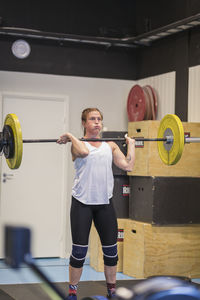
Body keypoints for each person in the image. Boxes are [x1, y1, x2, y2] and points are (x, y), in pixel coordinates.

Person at [57, 108, 135, 300]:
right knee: (79, 252)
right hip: (82, 204)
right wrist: (69, 135)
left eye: (99, 119)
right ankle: (73, 291)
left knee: (111, 252)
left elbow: (128, 166)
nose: (97, 122)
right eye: (92, 119)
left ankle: (112, 290)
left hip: (104, 205)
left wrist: (131, 144)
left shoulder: (110, 146)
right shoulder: (77, 145)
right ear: (84, 123)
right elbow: (83, 152)